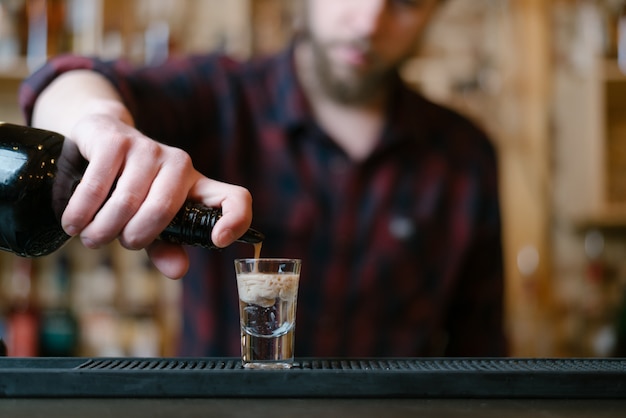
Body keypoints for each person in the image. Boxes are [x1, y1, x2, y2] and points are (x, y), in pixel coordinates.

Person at [18, 0, 507, 357]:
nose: (368, 21)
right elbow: (69, 77)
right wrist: (99, 117)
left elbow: (481, 348)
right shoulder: (220, 96)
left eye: (406, 3)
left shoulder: (465, 158)